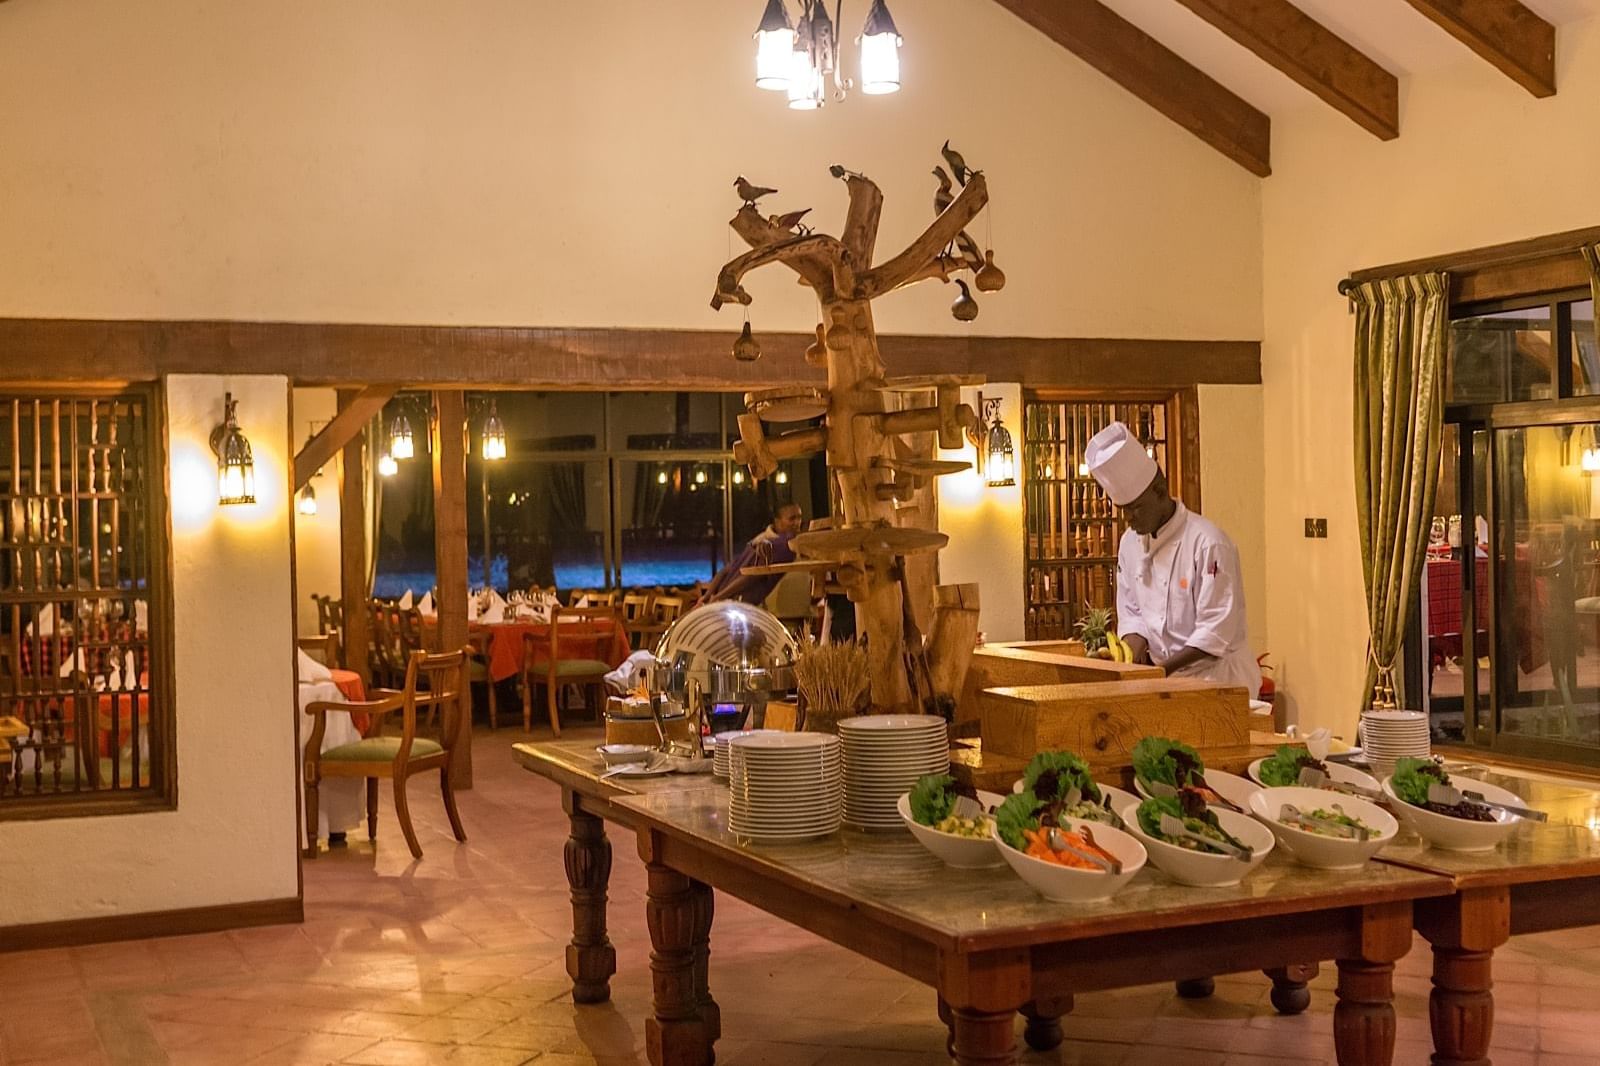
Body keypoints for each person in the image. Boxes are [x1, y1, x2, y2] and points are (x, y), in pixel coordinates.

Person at [1085, 422, 1259, 697]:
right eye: (1122, 510)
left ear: (1159, 491)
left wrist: (1160, 671)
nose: (1128, 519)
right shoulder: (1129, 544)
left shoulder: (1208, 543)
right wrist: (1126, 657)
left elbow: (1214, 633)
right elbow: (1134, 617)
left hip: (1219, 684)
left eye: (1135, 508)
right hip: (1165, 682)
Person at [703, 502, 804, 606]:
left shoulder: (758, 541)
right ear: (777, 521)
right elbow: (751, 575)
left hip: (728, 601)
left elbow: (728, 568)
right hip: (740, 603)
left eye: (799, 517)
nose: (797, 522)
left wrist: (710, 595)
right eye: (792, 519)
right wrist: (717, 596)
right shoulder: (780, 545)